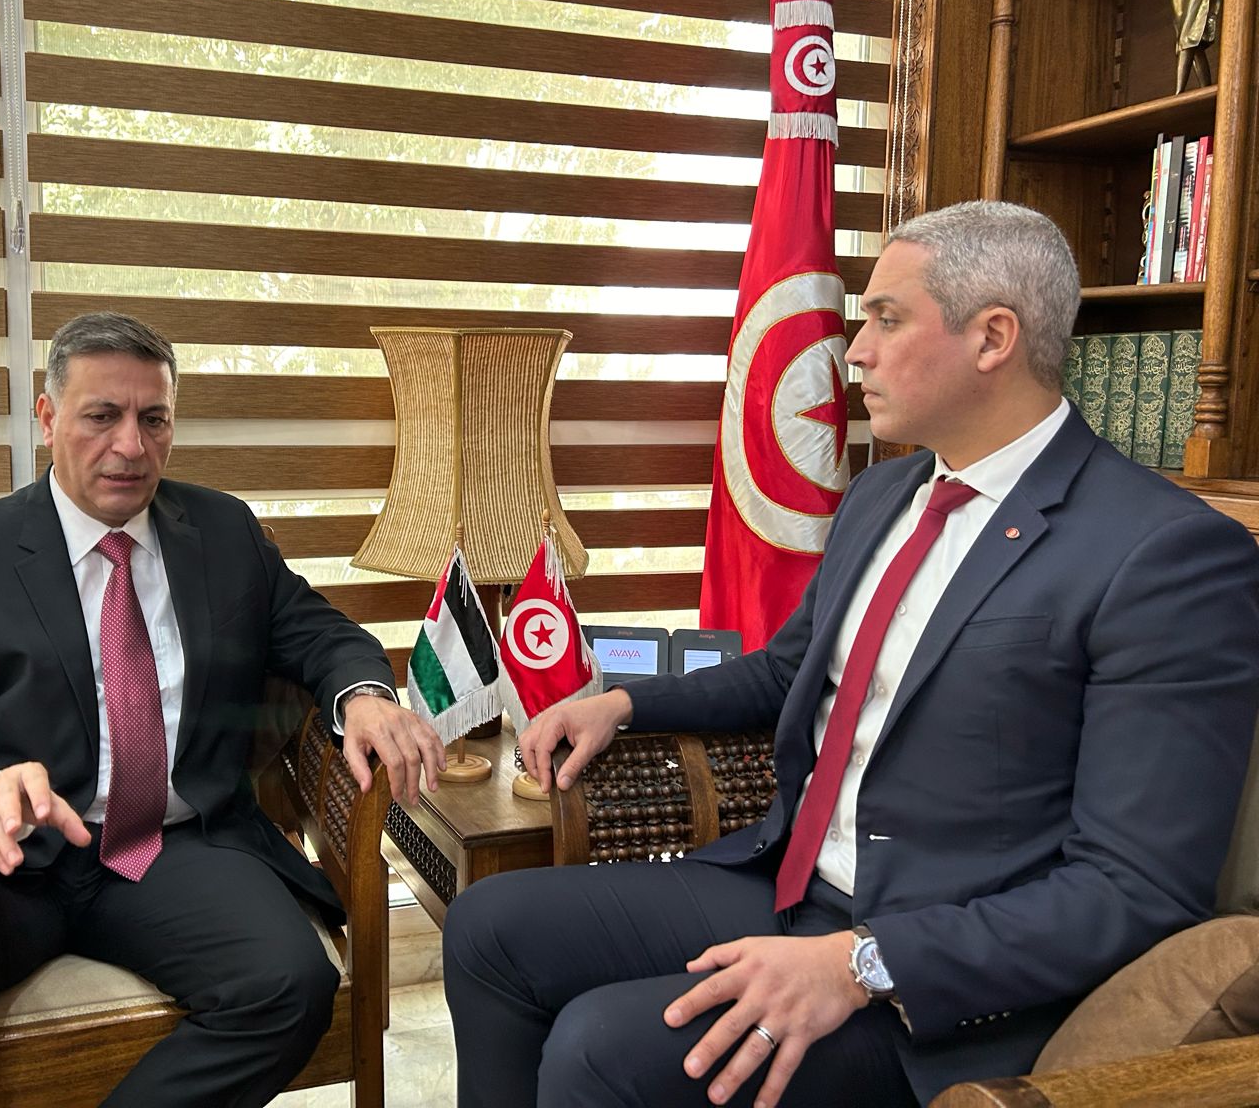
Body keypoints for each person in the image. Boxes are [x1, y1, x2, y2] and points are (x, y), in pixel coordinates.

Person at [443, 201, 1259, 1108]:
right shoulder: (883, 495)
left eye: (886, 319)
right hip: (795, 884)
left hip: (947, 979)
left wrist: (865, 963)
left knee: (600, 1047)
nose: (855, 352)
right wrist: (625, 703)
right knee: (490, 928)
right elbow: (789, 669)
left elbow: (1136, 888)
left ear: (992, 338)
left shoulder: (1164, 554)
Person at [0, 311, 445, 1107]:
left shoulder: (223, 531)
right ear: (47, 418)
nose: (131, 446)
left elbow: (319, 632)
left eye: (154, 418)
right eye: (102, 416)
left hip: (170, 849)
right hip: (1, 861)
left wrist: (367, 697)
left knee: (290, 983)